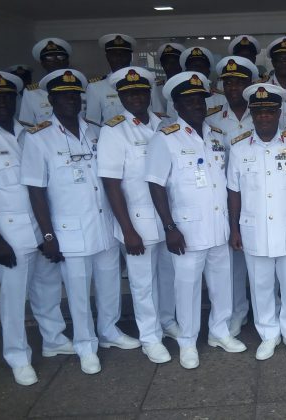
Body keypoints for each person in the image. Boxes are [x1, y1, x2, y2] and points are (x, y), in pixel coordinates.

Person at [20, 69, 140, 375]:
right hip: (69, 231)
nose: (71, 101)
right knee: (78, 292)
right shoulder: (38, 137)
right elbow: (35, 191)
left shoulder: (97, 131)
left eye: (75, 95)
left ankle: (109, 331)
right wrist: (48, 235)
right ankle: (86, 344)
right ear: (51, 100)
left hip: (105, 225)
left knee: (109, 285)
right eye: (64, 96)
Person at [0, 71, 73, 385]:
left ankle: (54, 338)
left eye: (6, 96)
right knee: (13, 298)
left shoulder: (31, 132)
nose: (2, 102)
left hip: (43, 225)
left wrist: (50, 230)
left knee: (48, 287)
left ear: (15, 99)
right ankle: (17, 356)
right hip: (9, 231)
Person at [146, 71, 246, 369]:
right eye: (189, 101)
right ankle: (188, 342)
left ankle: (219, 331)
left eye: (200, 100)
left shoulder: (215, 135)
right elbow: (156, 184)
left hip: (218, 226)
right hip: (186, 230)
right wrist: (169, 227)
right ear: (176, 105)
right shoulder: (165, 138)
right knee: (187, 288)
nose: (196, 106)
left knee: (222, 284)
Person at [227, 83, 286, 360]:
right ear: (252, 115)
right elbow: (233, 192)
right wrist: (234, 228)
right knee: (260, 286)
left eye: (269, 111)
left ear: (279, 113)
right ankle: (268, 333)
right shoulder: (239, 148)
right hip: (254, 230)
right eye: (258, 112)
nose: (264, 116)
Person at [97, 67, 176, 364]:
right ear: (120, 96)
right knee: (143, 284)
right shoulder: (114, 131)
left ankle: (167, 322)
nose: (136, 97)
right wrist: (127, 229)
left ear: (149, 92)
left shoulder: (164, 124)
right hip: (138, 221)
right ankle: (150, 338)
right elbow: (111, 184)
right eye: (129, 93)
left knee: (167, 277)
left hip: (169, 218)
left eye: (141, 91)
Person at [207, 56, 259, 336]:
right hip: (228, 199)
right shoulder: (213, 119)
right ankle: (238, 311)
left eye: (239, 82)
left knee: (266, 258)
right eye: (228, 83)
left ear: (249, 84)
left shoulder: (264, 111)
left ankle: (269, 310)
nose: (233, 87)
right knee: (234, 262)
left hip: (262, 197)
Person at [85, 34, 166, 127]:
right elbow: (93, 124)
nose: (119, 58)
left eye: (123, 54)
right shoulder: (95, 87)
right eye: (114, 54)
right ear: (107, 57)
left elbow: (159, 116)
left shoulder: (148, 83)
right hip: (113, 136)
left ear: (130, 56)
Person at [19, 38, 79, 125]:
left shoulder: (81, 87)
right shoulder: (32, 93)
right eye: (49, 58)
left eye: (61, 57)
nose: (56, 61)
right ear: (42, 63)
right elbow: (27, 125)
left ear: (67, 61)